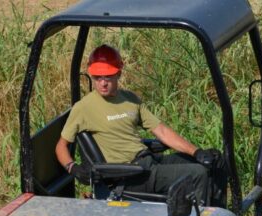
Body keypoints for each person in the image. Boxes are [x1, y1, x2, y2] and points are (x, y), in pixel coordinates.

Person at [55, 44, 226, 206]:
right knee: (197, 174)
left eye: (108, 76)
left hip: (148, 163)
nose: (103, 83)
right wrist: (73, 168)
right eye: (98, 78)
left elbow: (161, 131)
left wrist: (196, 152)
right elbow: (61, 146)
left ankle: (221, 215)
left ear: (119, 73)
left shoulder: (130, 99)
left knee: (214, 160)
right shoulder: (83, 108)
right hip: (130, 175)